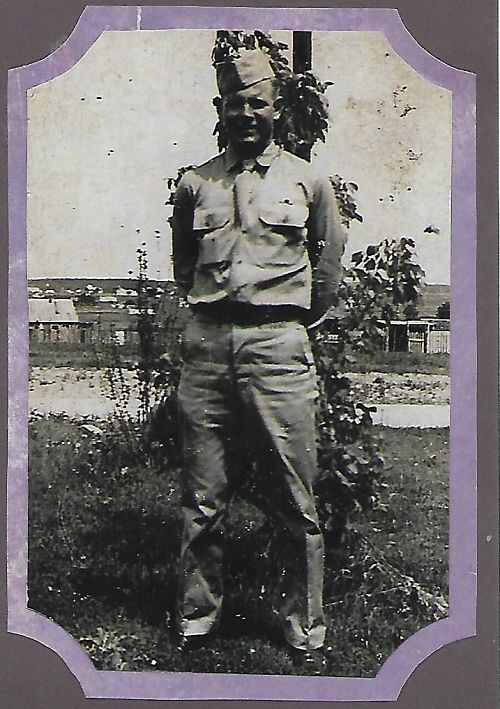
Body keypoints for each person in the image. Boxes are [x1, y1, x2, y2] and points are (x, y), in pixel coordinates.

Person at [171, 46, 346, 663]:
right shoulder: (197, 183)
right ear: (220, 109)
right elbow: (184, 264)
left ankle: (304, 628)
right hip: (208, 347)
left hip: (278, 345)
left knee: (295, 495)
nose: (245, 114)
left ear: (276, 109)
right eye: (234, 104)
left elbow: (327, 263)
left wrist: (288, 321)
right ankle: (198, 619)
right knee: (203, 496)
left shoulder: (307, 180)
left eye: (257, 103)